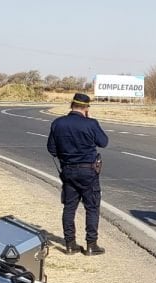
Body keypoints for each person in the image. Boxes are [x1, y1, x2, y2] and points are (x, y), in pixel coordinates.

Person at [47, 93, 109, 256]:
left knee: (69, 207)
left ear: (71, 105)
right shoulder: (90, 124)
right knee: (92, 207)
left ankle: (70, 244)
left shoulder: (57, 123)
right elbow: (104, 142)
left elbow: (51, 149)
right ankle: (91, 244)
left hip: (68, 170)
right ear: (86, 107)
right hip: (88, 170)